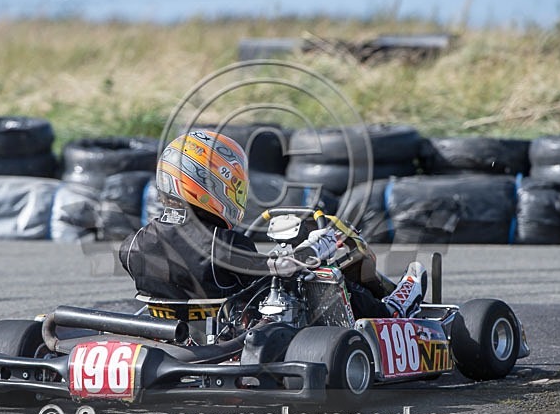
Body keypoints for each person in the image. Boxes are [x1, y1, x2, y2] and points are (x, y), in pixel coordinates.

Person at [119, 129, 425, 318]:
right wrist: (321, 245)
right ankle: (389, 310)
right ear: (206, 186)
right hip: (234, 334)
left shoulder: (132, 244)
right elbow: (282, 273)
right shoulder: (223, 244)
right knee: (323, 278)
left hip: (173, 333)